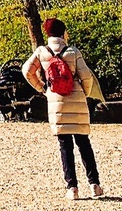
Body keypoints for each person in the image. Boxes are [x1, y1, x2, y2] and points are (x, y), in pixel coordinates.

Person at [22, 16, 106, 202]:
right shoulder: (73, 52)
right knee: (84, 143)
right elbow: (87, 77)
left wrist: (43, 87)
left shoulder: (42, 52)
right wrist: (83, 92)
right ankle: (94, 185)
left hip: (56, 100)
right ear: (63, 32)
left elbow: (26, 70)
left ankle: (72, 188)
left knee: (65, 146)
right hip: (76, 100)